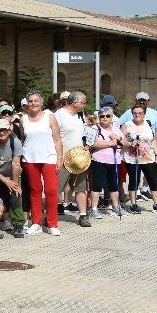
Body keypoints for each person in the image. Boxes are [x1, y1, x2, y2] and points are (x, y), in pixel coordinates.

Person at [19, 90, 63, 236]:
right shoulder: (23, 119)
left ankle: (52, 223)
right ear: (27, 103)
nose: (33, 103)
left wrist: (60, 158)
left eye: (36, 100)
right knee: (34, 191)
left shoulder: (50, 117)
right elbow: (23, 139)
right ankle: (36, 222)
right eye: (30, 101)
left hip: (49, 158)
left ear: (41, 102)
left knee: (51, 191)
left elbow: (57, 139)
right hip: (30, 159)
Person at [120, 104, 157, 214]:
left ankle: (156, 204)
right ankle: (133, 204)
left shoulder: (148, 124)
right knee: (134, 180)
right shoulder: (126, 125)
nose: (137, 115)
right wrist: (131, 143)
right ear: (132, 114)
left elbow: (153, 140)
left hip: (148, 157)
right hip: (132, 157)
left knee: (153, 179)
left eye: (140, 113)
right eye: (135, 113)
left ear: (144, 114)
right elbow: (123, 141)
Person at [54, 91, 91, 226]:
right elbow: (53, 136)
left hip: (80, 159)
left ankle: (83, 215)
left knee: (81, 187)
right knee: (56, 188)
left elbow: (82, 135)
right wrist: (58, 156)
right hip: (63, 158)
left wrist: (86, 146)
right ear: (74, 103)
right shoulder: (59, 115)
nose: (85, 105)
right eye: (83, 102)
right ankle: (51, 215)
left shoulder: (80, 115)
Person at [0, 118, 26, 236]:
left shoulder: (15, 142)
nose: (2, 132)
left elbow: (16, 164)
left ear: (9, 131)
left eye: (4, 130)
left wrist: (14, 184)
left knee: (15, 194)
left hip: (10, 174)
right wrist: (4, 180)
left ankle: (18, 224)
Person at [88, 108, 124, 217]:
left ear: (112, 117)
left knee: (114, 185)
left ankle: (116, 206)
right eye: (102, 116)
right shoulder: (95, 128)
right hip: (99, 160)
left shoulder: (116, 129)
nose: (105, 118)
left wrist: (117, 139)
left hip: (114, 161)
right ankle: (94, 208)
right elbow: (92, 144)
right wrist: (110, 143)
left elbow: (124, 143)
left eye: (108, 116)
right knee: (97, 185)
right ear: (98, 118)